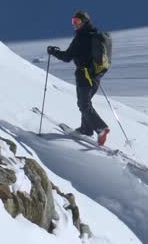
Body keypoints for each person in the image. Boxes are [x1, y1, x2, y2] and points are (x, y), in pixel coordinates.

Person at [47, 10, 110, 145]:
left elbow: (67, 57)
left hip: (84, 75)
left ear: (84, 22)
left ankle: (101, 128)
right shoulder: (94, 35)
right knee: (85, 102)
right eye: (73, 21)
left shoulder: (81, 37)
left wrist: (53, 52)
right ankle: (86, 129)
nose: (75, 24)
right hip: (96, 76)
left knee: (83, 104)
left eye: (77, 22)